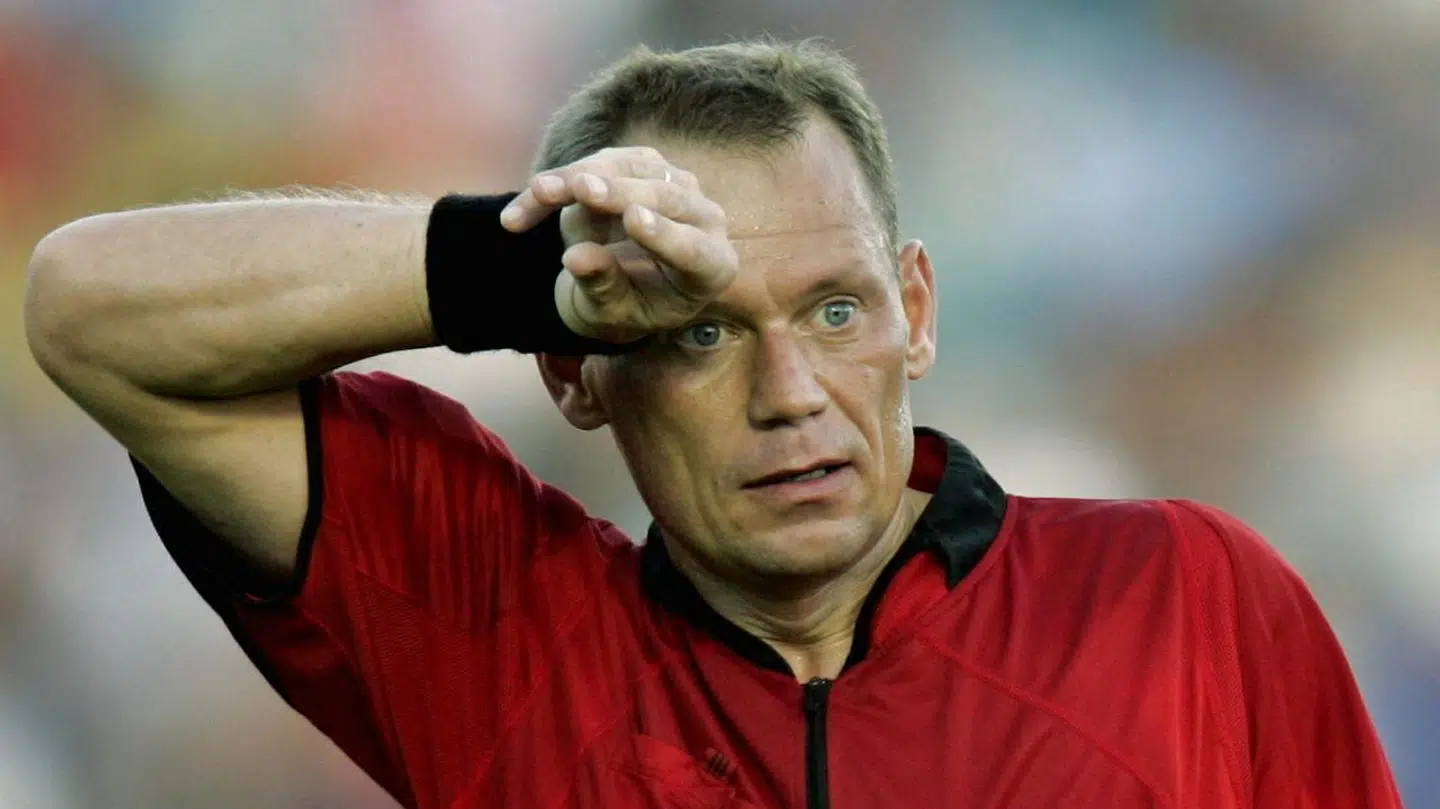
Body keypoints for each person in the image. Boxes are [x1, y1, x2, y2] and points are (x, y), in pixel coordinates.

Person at [23, 38, 1403, 809]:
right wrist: (515, 269)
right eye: (695, 331)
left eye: (837, 311)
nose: (790, 392)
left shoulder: (1185, 598)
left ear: (919, 311)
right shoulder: (498, 628)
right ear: (574, 374)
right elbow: (89, 314)